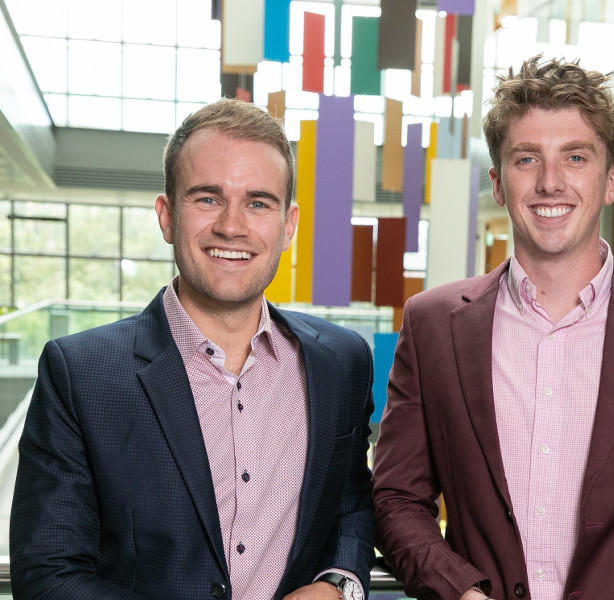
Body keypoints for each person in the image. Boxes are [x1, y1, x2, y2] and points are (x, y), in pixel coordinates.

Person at [371, 55, 614, 600]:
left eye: (575, 157)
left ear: (611, 181)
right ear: (499, 184)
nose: (550, 182)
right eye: (527, 159)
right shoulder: (432, 324)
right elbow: (395, 500)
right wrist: (460, 593)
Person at [10, 98, 375, 600]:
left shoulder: (342, 361)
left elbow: (352, 504)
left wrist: (340, 585)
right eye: (207, 198)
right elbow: (48, 577)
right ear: (166, 215)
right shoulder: (79, 374)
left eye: (258, 202)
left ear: (288, 226)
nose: (232, 226)